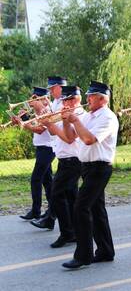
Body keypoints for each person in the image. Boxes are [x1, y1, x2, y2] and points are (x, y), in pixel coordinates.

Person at [61, 81, 118, 269]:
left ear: (102, 99)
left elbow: (88, 139)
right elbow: (71, 138)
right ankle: (105, 251)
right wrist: (65, 120)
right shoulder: (90, 116)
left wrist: (75, 120)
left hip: (99, 167)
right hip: (87, 167)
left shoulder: (107, 117)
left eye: (92, 96)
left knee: (80, 208)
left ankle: (83, 255)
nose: (88, 99)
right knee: (96, 209)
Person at [39, 86, 84, 248]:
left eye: (67, 99)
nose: (64, 102)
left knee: (56, 195)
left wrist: (51, 125)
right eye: (64, 99)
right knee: (71, 198)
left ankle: (66, 233)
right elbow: (54, 135)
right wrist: (47, 122)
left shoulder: (80, 115)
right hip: (65, 159)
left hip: (73, 160)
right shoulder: (66, 114)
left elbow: (69, 139)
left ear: (75, 99)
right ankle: (74, 232)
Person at [30, 76, 67, 229]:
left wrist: (39, 109)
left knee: (40, 181)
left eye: (52, 88)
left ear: (60, 87)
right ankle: (50, 217)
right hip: (57, 150)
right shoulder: (56, 103)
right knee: (51, 184)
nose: (50, 91)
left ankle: (44, 214)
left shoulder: (59, 104)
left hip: (52, 148)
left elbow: (42, 128)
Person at [19, 87, 55, 221]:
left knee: (36, 179)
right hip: (41, 148)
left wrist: (24, 124)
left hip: (47, 148)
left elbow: (39, 130)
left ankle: (36, 211)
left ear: (43, 98)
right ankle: (52, 210)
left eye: (35, 99)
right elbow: (34, 124)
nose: (32, 102)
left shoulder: (48, 110)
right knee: (47, 181)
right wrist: (24, 118)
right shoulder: (38, 110)